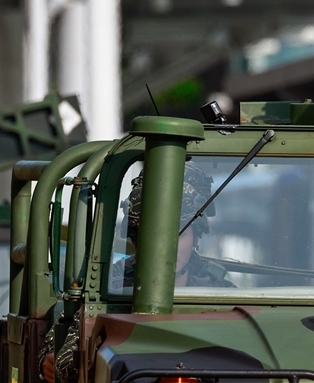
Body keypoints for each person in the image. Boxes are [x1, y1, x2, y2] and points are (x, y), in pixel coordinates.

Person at [41, 162, 232, 383]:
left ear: (196, 237)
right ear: (134, 239)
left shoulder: (219, 290)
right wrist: (59, 363)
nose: (165, 249)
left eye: (180, 234)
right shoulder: (109, 286)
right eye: (152, 236)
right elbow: (62, 356)